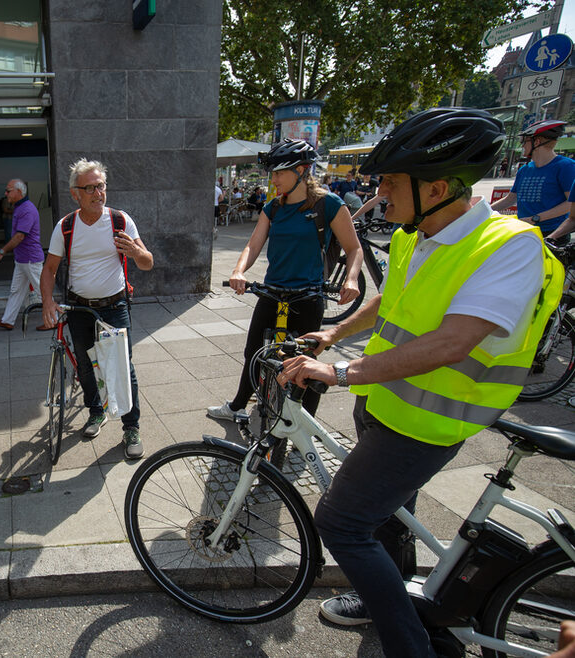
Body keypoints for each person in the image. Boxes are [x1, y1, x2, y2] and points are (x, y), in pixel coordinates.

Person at [278, 108, 561, 658]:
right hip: (385, 402)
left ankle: (411, 646)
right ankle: (391, 596)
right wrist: (336, 333)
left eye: (390, 182)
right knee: (388, 517)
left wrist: (339, 372)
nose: (380, 193)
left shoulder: (509, 246)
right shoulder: (417, 230)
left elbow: (454, 341)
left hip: (430, 421)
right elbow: (393, 302)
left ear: (436, 187)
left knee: (340, 522)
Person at [206, 139, 363, 422]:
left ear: (302, 170)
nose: (273, 179)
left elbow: (354, 248)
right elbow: (252, 246)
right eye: (272, 173)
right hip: (273, 292)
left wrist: (351, 280)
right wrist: (238, 271)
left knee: (306, 363)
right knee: (253, 352)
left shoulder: (328, 204)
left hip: (307, 296)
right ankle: (238, 405)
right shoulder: (273, 208)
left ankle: (305, 424)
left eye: (279, 173)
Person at [40, 159, 154, 459]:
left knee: (122, 366)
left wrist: (137, 252)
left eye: (100, 186)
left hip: (114, 306)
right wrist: (48, 302)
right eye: (89, 188)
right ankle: (95, 412)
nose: (97, 193)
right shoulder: (66, 226)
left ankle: (131, 427)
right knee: (86, 364)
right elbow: (49, 269)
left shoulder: (120, 221)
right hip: (79, 308)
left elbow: (147, 262)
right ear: (75, 193)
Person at [491, 119, 575, 238]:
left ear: (537, 142)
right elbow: (510, 199)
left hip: (553, 233)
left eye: (524, 141)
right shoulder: (524, 170)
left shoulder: (566, 166)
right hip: (526, 231)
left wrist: (536, 218)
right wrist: (485, 210)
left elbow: (570, 203)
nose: (523, 145)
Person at [0, 179, 44, 330]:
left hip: (30, 259)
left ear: (19, 192)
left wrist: (1, 252)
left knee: (42, 289)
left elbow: (20, 236)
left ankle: (53, 320)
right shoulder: (20, 207)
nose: (5, 193)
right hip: (23, 259)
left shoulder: (27, 209)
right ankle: (8, 320)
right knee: (16, 290)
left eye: (8, 190)